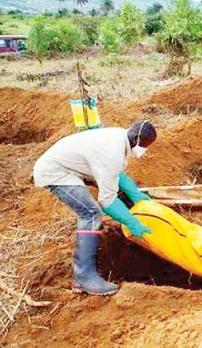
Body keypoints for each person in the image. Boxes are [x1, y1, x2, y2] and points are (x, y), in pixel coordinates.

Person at [33, 120, 157, 296]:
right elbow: (106, 200)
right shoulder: (112, 152)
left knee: (116, 195)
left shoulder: (119, 137)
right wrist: (132, 222)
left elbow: (116, 173)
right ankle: (84, 278)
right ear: (136, 138)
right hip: (56, 172)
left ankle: (85, 276)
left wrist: (134, 193)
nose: (144, 149)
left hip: (73, 164)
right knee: (90, 213)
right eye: (144, 145)